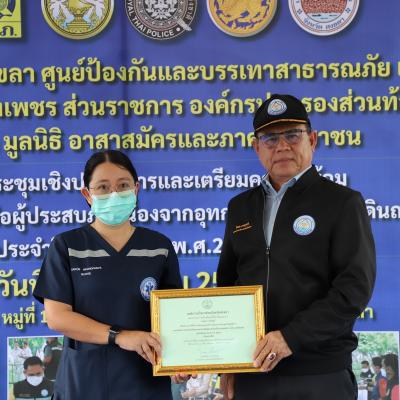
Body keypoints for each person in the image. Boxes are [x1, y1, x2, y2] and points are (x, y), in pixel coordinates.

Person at [217, 94, 376, 399]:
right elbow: (227, 286)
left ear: (312, 140)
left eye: (292, 135)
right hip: (254, 375)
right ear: (257, 147)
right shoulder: (240, 207)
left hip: (320, 374)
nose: (282, 146)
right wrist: (228, 364)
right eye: (270, 138)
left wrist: (290, 338)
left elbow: (353, 289)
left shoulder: (342, 202)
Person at [33, 150, 182, 400]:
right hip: (84, 383)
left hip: (144, 383)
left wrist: (181, 360)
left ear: (136, 189)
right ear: (87, 194)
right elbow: (57, 317)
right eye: (103, 187)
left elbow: (173, 317)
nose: (114, 194)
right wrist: (120, 337)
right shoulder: (68, 246)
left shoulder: (159, 247)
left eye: (123, 185)